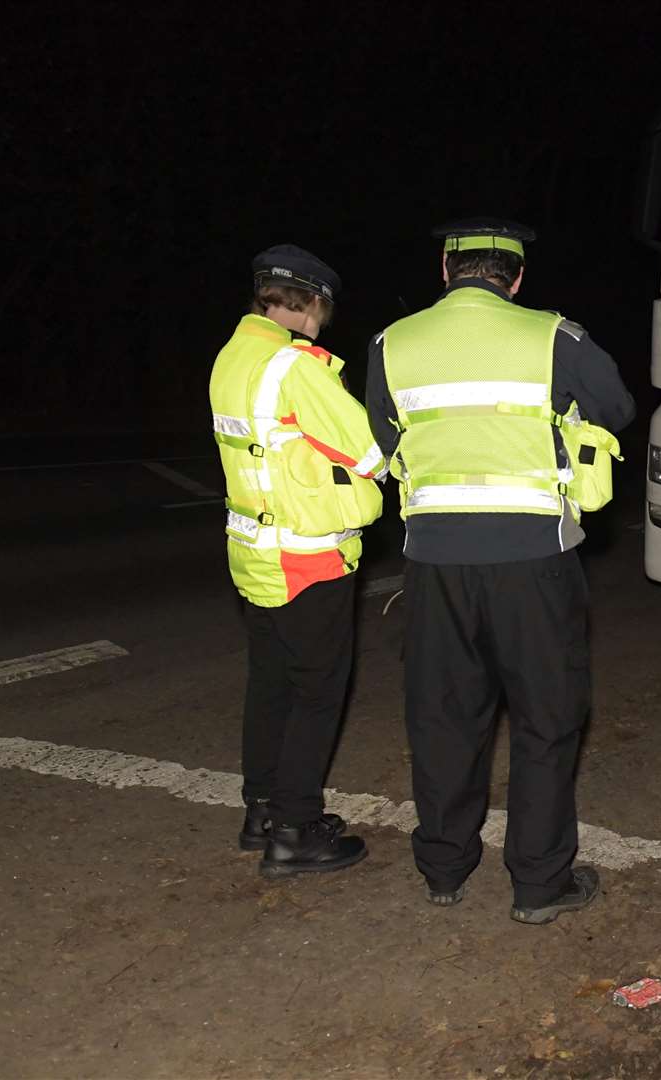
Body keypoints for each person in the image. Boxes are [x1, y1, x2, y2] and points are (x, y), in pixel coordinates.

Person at [366, 218, 635, 923]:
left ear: (445, 273)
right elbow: (618, 406)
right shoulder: (554, 337)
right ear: (516, 279)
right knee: (547, 721)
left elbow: (377, 437)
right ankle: (539, 885)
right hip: (533, 564)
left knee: (443, 718)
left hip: (433, 566)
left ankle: (444, 869)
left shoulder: (393, 343)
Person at [208, 244, 384, 877]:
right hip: (307, 556)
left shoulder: (231, 357)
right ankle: (295, 830)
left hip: (252, 552)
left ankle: (261, 812)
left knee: (272, 683)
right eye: (321, 314)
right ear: (309, 304)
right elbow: (367, 451)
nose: (321, 327)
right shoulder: (294, 366)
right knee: (317, 692)